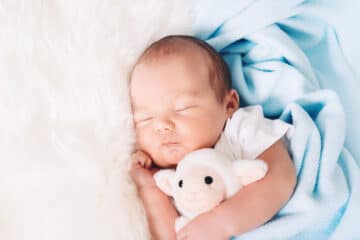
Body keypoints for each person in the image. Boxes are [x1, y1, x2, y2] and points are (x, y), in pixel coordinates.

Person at [129, 35, 297, 240]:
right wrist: (148, 188)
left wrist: (223, 222)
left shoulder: (240, 129)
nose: (162, 126)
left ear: (229, 105)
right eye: (146, 119)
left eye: (182, 108)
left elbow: (280, 178)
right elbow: (169, 235)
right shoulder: (166, 176)